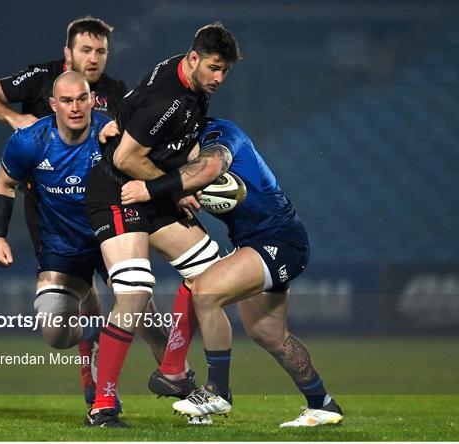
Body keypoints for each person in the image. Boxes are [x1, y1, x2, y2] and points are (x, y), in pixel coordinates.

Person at [0, 16, 169, 406]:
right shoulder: (39, 80)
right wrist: (13, 117)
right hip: (54, 216)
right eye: (85, 50)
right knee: (58, 327)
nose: (93, 59)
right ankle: (91, 331)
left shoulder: (116, 95)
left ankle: (181, 381)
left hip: (108, 218)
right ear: (67, 54)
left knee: (142, 309)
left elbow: (136, 155)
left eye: (101, 51)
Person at [120, 117, 344, 427]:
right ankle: (322, 403)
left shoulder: (221, 134)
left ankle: (217, 391)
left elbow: (211, 166)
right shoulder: (175, 156)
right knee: (269, 334)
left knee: (205, 290)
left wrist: (150, 188)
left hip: (280, 240)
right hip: (253, 243)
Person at [83, 22, 240, 428]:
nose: (219, 78)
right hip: (119, 192)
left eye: (225, 71)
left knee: (208, 272)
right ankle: (103, 403)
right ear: (193, 59)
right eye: (215, 68)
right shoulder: (169, 98)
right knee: (134, 293)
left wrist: (176, 179)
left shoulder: (190, 84)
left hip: (151, 190)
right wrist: (175, 189)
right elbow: (125, 159)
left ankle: (172, 370)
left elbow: (144, 115)